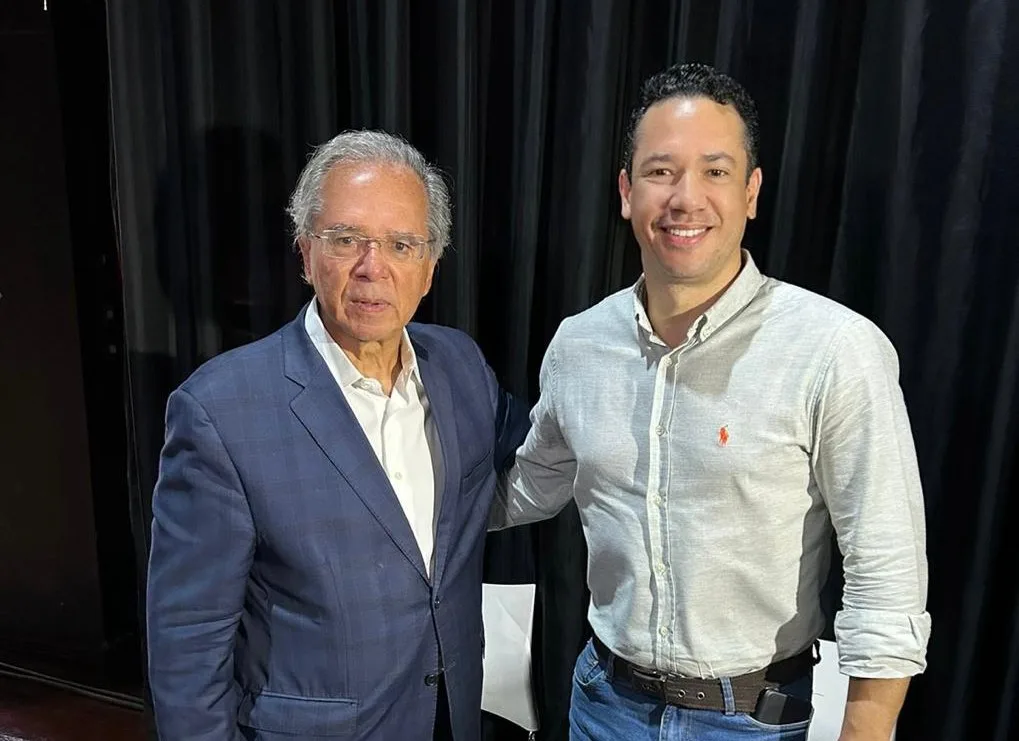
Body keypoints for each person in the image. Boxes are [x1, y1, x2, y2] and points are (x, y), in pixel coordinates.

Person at [491, 62, 931, 740]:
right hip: (601, 705)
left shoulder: (833, 348)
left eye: (715, 171)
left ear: (751, 192)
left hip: (754, 721)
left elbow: (885, 567)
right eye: (661, 171)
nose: (685, 197)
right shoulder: (577, 346)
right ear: (625, 191)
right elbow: (532, 486)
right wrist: (394, 501)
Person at [147, 129, 529, 741]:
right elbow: (187, 641)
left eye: (402, 244)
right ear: (304, 252)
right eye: (347, 239)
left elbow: (544, 451)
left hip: (449, 719)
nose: (372, 268)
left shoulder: (461, 368)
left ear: (430, 267)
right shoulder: (219, 412)